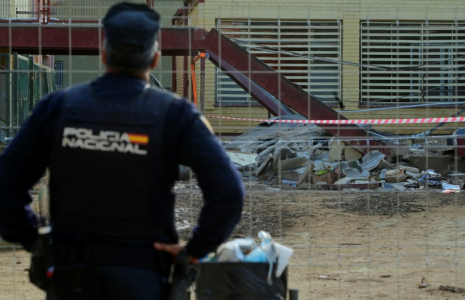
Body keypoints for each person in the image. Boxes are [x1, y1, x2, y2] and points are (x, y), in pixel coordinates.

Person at [0, 3, 244, 299]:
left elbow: (5, 186)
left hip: (71, 276)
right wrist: (193, 250)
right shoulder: (175, 115)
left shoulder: (57, 108)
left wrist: (37, 240)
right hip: (144, 277)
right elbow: (228, 192)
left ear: (104, 53)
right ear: (155, 58)